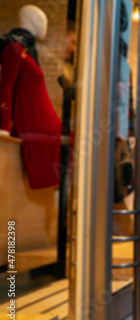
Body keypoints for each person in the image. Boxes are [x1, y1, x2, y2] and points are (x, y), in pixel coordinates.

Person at [0, 5, 62, 189]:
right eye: (42, 20)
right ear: (30, 20)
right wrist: (4, 127)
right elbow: (6, 85)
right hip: (34, 127)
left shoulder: (28, 50)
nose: (45, 26)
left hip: (45, 127)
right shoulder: (14, 47)